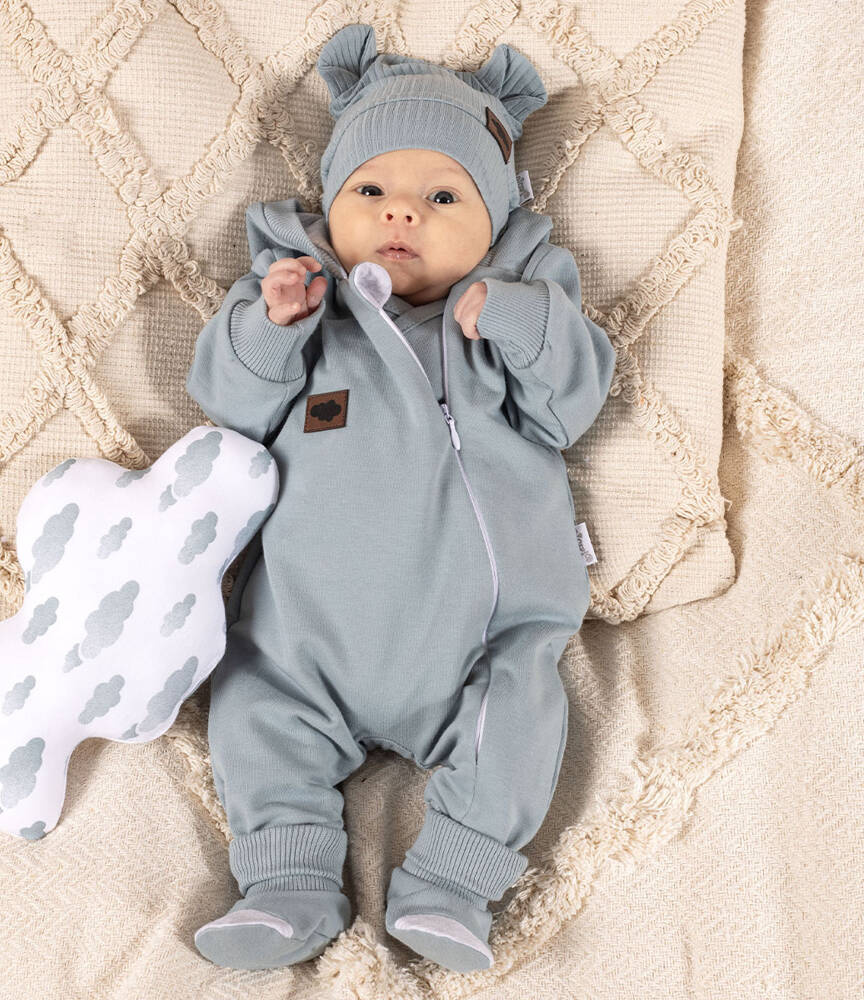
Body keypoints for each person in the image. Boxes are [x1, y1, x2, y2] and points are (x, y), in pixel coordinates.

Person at [186, 22, 616, 972]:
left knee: (522, 714)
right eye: (370, 190)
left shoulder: (509, 309)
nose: (402, 214)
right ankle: (286, 883)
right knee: (252, 707)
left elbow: (570, 405)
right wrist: (272, 327)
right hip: (305, 642)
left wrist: (518, 320)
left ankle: (453, 884)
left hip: (476, 643)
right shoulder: (301, 301)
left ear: (495, 223)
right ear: (332, 204)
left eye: (443, 197)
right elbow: (228, 405)